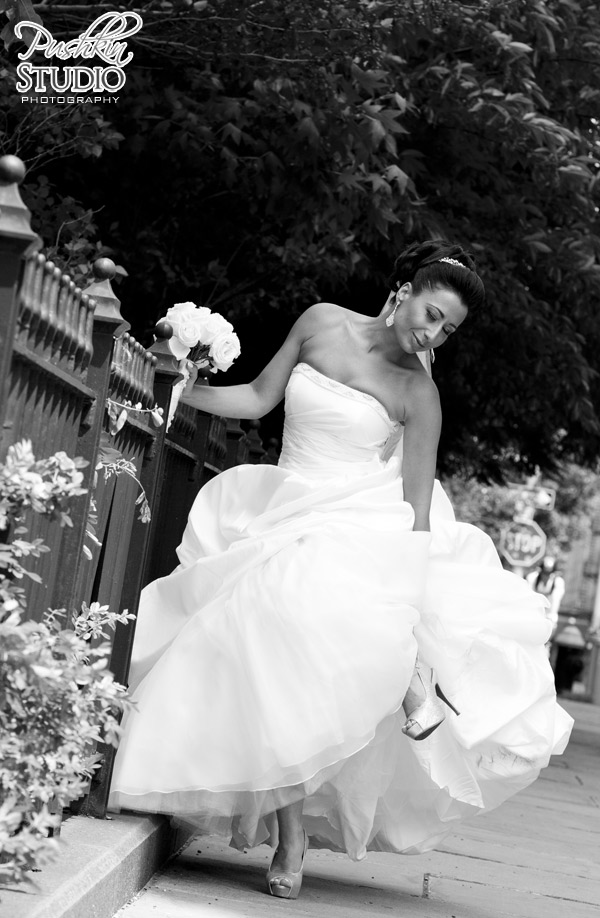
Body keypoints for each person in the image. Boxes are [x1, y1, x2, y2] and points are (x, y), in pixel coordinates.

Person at [108, 240, 573, 901]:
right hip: (285, 502)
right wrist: (183, 391)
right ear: (405, 290)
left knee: (288, 615)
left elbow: (416, 508)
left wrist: (407, 603)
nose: (432, 331)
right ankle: (290, 829)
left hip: (356, 521)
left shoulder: (419, 391)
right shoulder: (321, 321)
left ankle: (308, 812)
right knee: (260, 644)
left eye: (448, 329)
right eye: (431, 313)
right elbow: (260, 399)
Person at [526, 556, 566, 639]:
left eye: (549, 574)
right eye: (544, 573)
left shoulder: (558, 582)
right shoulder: (532, 578)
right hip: (532, 615)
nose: (546, 576)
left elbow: (555, 603)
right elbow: (529, 597)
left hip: (548, 616)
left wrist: (550, 621)